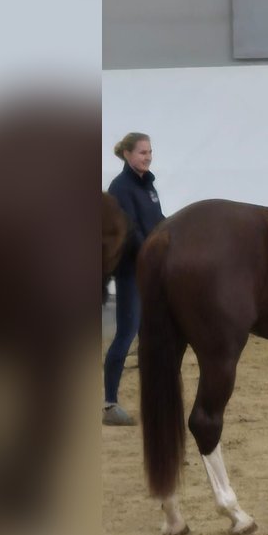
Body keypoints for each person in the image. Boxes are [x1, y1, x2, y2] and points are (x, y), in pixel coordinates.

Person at [103, 132, 164, 426]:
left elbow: (158, 221)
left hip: (152, 270)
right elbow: (131, 231)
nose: (148, 156)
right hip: (132, 272)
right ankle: (109, 404)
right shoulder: (120, 187)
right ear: (127, 154)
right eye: (142, 152)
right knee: (126, 334)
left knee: (152, 337)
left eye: (150, 151)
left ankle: (153, 398)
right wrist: (155, 253)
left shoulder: (148, 184)